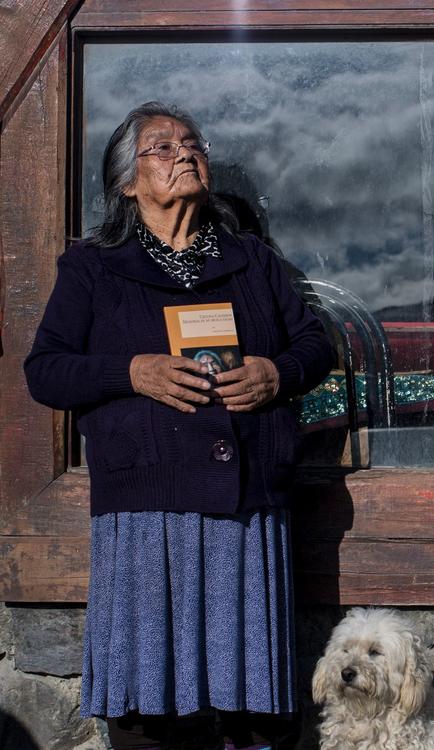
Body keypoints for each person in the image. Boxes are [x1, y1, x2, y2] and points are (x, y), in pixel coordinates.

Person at [23, 101, 335, 749]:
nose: (184, 153)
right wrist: (131, 372)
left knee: (255, 708)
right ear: (127, 183)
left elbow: (315, 344)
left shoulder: (253, 261)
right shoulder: (91, 267)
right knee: (148, 712)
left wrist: (276, 374)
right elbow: (46, 371)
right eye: (161, 147)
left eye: (192, 144)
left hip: (246, 504)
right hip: (147, 508)